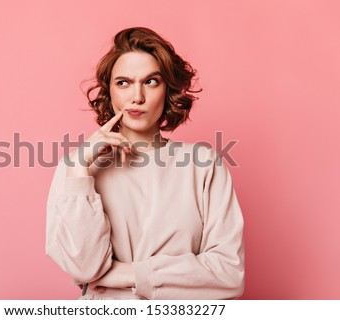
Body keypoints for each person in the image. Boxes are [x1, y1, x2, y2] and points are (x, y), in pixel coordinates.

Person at [45, 26, 245, 300]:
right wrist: (80, 169)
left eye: (151, 81)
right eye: (123, 82)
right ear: (110, 92)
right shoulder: (75, 169)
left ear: (168, 90)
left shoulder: (204, 165)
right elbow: (84, 268)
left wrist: (131, 275)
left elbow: (229, 275)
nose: (137, 97)